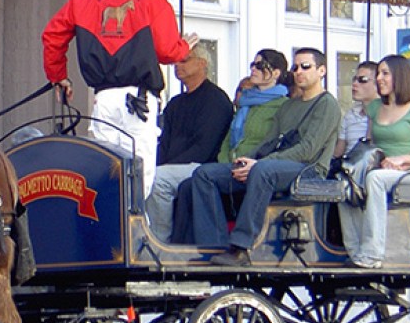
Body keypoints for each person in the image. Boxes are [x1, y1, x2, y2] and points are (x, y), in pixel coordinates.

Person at [42, 0, 198, 194]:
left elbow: (52, 36)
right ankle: (134, 228)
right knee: (141, 173)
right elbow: (168, 52)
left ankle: (109, 227)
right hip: (140, 101)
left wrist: (59, 77)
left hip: (103, 98)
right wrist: (184, 48)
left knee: (104, 168)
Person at [184, 48, 341, 261]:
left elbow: (308, 150)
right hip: (277, 165)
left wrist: (259, 164)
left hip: (309, 170)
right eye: (296, 67)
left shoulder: (327, 104)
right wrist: (248, 160)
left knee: (263, 170)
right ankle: (214, 248)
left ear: (321, 70)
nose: (299, 71)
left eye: (306, 66)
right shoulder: (289, 105)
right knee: (204, 174)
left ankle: (242, 246)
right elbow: (269, 141)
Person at [168, 49, 289, 243]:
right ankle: (182, 247)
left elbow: (273, 143)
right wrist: (225, 160)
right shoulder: (246, 103)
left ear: (275, 73)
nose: (253, 69)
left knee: (201, 178)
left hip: (254, 168)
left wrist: (250, 163)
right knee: (187, 187)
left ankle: (214, 244)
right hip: (230, 165)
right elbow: (228, 138)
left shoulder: (283, 106)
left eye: (260, 65)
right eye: (253, 64)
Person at [338, 54, 410, 268]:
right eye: (378, 74)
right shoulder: (375, 108)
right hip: (381, 169)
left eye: (385, 74)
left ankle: (373, 252)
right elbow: (370, 144)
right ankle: (355, 249)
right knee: (343, 183)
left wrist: (403, 159)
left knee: (375, 178)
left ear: (400, 77)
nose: (379, 79)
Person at [145, 41, 233, 240]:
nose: (178, 65)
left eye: (184, 60)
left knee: (158, 179)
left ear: (202, 63)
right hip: (173, 166)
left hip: (204, 166)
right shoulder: (176, 103)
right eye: (176, 61)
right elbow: (163, 142)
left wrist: (165, 167)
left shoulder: (216, 99)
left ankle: (159, 242)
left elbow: (205, 146)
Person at [333, 61, 378, 160]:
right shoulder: (350, 114)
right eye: (354, 79)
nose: (354, 84)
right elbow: (338, 152)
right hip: (349, 168)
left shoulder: (386, 114)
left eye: (363, 80)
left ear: (378, 84)